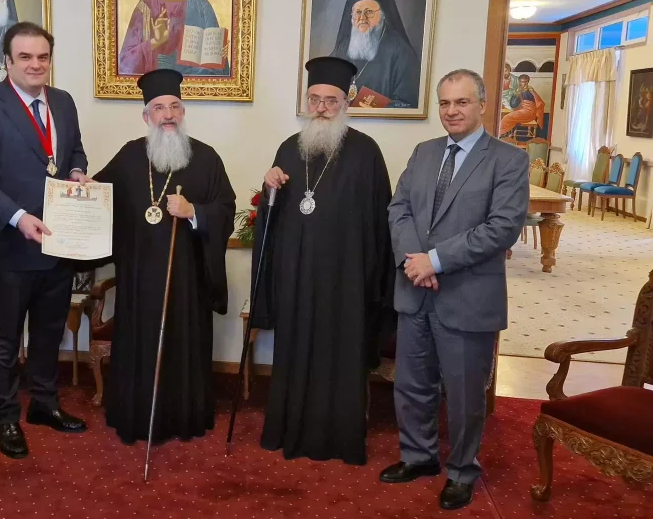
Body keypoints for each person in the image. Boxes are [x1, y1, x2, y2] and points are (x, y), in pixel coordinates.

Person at [382, 69, 528, 511]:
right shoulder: (424, 152)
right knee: (412, 384)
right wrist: (415, 262)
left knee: (464, 395)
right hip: (415, 290)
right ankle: (418, 457)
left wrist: (436, 260)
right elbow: (399, 208)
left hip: (468, 296)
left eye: (461, 102)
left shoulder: (508, 159)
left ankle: (463, 471)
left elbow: (502, 228)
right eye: (445, 103)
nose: (452, 111)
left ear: (482, 104)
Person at [0, 21, 90, 460]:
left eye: (43, 57)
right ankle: (7, 414)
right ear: (8, 61)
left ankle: (45, 404)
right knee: (6, 336)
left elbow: (74, 151)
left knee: (50, 331)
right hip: (10, 244)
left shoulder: (63, 102)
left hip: (58, 241)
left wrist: (76, 172)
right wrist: (17, 217)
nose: (36, 64)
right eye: (26, 57)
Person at [250, 56, 395, 465]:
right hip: (296, 278)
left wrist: (370, 281)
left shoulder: (366, 152)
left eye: (331, 100)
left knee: (340, 355)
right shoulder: (289, 148)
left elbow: (381, 223)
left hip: (345, 282)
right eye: (314, 99)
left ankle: (339, 437)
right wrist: (270, 187)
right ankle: (289, 430)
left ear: (346, 103)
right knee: (295, 353)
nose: (321, 108)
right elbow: (274, 217)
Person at [91, 68, 235, 444]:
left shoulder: (206, 158)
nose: (168, 115)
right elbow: (99, 196)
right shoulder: (128, 156)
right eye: (159, 108)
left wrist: (194, 212)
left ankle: (183, 415)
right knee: (140, 344)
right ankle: (136, 413)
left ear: (183, 112)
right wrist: (79, 191)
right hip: (138, 279)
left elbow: (226, 210)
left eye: (174, 107)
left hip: (186, 280)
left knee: (183, 344)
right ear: (146, 117)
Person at [329, 0, 419, 108]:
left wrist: (377, 108)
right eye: (357, 12)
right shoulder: (343, 47)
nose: (362, 18)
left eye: (369, 12)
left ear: (383, 15)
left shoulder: (401, 51)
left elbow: (409, 103)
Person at [498, 73, 545, 138]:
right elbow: (513, 105)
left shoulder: (530, 91)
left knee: (506, 118)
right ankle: (505, 133)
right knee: (508, 117)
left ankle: (500, 133)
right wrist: (516, 94)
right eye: (522, 82)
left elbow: (540, 103)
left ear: (528, 82)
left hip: (529, 113)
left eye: (526, 82)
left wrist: (517, 94)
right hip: (525, 112)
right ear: (519, 82)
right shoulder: (521, 90)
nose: (524, 84)